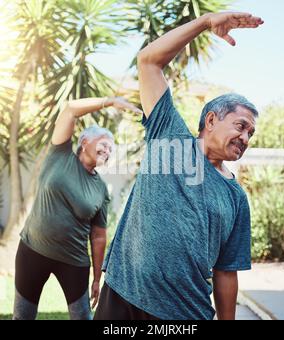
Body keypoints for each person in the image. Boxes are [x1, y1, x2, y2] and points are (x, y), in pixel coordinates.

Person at [94, 12, 264, 320]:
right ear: (211, 120)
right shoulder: (168, 134)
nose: (245, 137)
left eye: (250, 133)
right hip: (123, 297)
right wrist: (205, 22)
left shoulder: (236, 197)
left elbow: (226, 271)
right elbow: (147, 61)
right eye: (241, 126)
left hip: (184, 315)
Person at [13, 96, 142, 320]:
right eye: (104, 143)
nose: (108, 150)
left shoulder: (101, 188)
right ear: (84, 142)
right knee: (22, 316)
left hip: (73, 261)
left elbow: (99, 235)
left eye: (111, 148)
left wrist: (96, 278)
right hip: (32, 251)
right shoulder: (59, 155)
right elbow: (71, 109)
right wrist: (111, 102)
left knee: (83, 317)